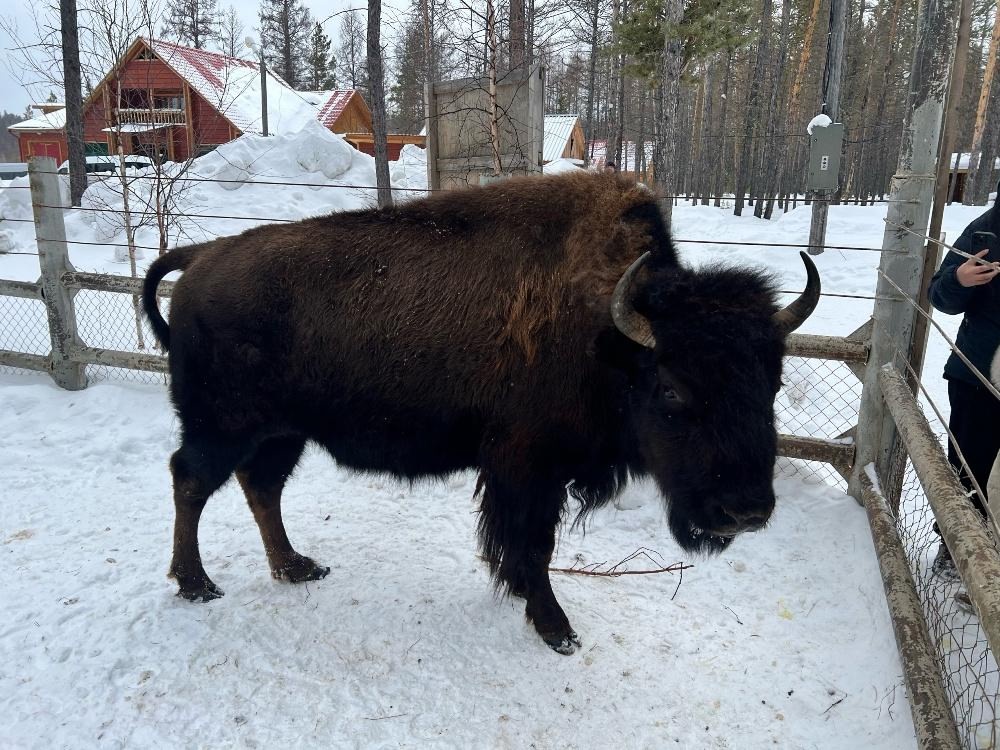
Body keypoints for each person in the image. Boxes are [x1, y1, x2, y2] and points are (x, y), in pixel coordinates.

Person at [927, 178, 1000, 580]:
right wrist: (959, 281)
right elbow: (937, 295)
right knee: (968, 466)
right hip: (977, 375)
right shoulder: (985, 230)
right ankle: (955, 548)